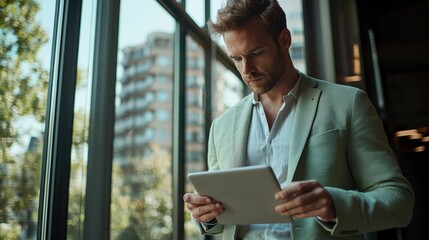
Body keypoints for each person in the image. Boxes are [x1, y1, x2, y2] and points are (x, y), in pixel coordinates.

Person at [183, 0, 414, 239]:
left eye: (255, 53)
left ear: (284, 40)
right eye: (237, 58)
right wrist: (205, 215)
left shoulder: (348, 104)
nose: (246, 69)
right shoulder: (221, 127)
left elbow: (398, 200)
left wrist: (334, 205)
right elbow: (220, 222)